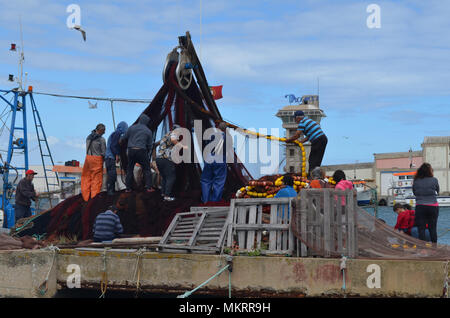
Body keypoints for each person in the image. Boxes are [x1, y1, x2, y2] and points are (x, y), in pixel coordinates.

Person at [285, 110, 327, 177]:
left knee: (312, 161)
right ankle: (316, 175)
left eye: (295, 118)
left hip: (318, 140)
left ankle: (312, 177)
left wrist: (288, 140)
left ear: (298, 118)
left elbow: (297, 135)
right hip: (322, 139)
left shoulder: (302, 122)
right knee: (317, 160)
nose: (295, 121)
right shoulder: (308, 121)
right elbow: (309, 136)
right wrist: (301, 142)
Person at [120, 114, 154, 193]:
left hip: (131, 151)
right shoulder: (148, 131)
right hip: (141, 151)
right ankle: (149, 187)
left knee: (130, 169)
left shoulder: (131, 128)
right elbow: (149, 145)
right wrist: (148, 153)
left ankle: (128, 188)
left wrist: (120, 141)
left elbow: (123, 138)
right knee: (147, 169)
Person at [201, 122, 229, 203]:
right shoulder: (228, 138)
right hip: (220, 158)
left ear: (217, 127)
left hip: (210, 158)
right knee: (219, 181)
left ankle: (205, 201)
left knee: (206, 180)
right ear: (225, 129)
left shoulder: (211, 135)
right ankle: (214, 201)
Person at [412, 163, 439, 244]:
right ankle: (435, 248)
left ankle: (422, 250)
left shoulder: (416, 181)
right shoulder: (434, 180)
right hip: (433, 206)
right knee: (433, 228)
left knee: (421, 228)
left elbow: (414, 193)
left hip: (420, 206)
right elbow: (438, 191)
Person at [155, 124, 183, 201]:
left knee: (165, 177)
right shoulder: (173, 134)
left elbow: (157, 144)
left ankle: (163, 194)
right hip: (165, 159)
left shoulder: (166, 135)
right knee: (171, 177)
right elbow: (174, 142)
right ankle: (167, 196)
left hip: (159, 159)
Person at [81, 123, 106, 201]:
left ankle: (85, 197)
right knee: (96, 180)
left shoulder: (88, 137)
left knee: (86, 178)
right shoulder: (101, 139)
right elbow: (104, 152)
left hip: (88, 158)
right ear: (100, 130)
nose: (104, 132)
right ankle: (93, 199)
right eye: (104, 131)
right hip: (96, 160)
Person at [105, 121, 128, 196]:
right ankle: (110, 190)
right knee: (112, 174)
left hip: (108, 158)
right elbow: (113, 146)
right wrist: (117, 154)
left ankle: (111, 189)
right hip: (110, 157)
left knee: (111, 174)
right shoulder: (117, 134)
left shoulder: (114, 133)